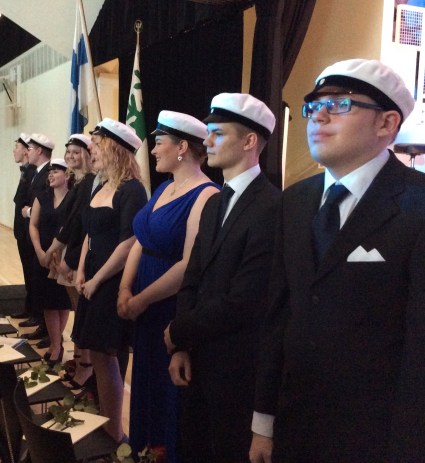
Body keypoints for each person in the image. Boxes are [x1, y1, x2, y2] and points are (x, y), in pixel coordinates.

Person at [249, 58, 425, 463]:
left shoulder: (416, 205)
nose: (318, 116)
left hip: (374, 436)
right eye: (314, 106)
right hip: (296, 424)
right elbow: (280, 315)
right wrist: (263, 421)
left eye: (340, 104)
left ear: (386, 123)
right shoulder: (296, 201)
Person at [164, 93, 281, 463]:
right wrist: (182, 346)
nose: (208, 140)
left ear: (249, 141)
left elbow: (244, 299)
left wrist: (180, 331)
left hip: (236, 367)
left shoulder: (272, 207)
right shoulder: (216, 201)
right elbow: (192, 278)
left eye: (218, 133)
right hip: (197, 357)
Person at [118, 110, 220, 461]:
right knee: (146, 382)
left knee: (166, 392)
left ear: (182, 147)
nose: (153, 150)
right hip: (143, 302)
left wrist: (141, 299)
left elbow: (189, 265)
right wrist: (125, 289)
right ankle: (143, 450)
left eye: (159, 142)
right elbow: (141, 239)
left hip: (167, 304)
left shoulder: (206, 194)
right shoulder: (163, 187)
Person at [72, 118, 148, 443]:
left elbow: (128, 243)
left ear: (115, 149)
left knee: (107, 357)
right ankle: (107, 425)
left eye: (98, 146)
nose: (92, 152)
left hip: (110, 281)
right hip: (91, 278)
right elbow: (89, 234)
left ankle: (115, 433)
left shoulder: (132, 189)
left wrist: (97, 279)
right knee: (99, 358)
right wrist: (80, 271)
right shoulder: (102, 185)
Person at [29, 158, 72, 365]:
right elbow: (33, 225)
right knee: (47, 302)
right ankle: (56, 344)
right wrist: (39, 251)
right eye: (50, 171)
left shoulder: (73, 197)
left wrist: (55, 252)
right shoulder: (43, 196)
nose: (51, 174)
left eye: (56, 171)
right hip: (44, 256)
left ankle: (57, 343)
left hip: (63, 257)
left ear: (67, 175)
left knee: (62, 302)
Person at [21, 133, 54, 340]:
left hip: (44, 235)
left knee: (45, 286)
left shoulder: (48, 174)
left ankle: (47, 329)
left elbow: (49, 203)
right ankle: (40, 321)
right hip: (33, 233)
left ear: (40, 151)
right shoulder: (36, 172)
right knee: (36, 280)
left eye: (30, 149)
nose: (27, 152)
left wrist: (29, 212)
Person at [11, 133, 36, 320]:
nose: (14, 151)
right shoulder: (26, 172)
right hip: (23, 232)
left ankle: (35, 311)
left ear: (27, 151)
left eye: (17, 147)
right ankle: (30, 308)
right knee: (28, 272)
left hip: (29, 231)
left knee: (33, 273)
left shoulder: (33, 173)